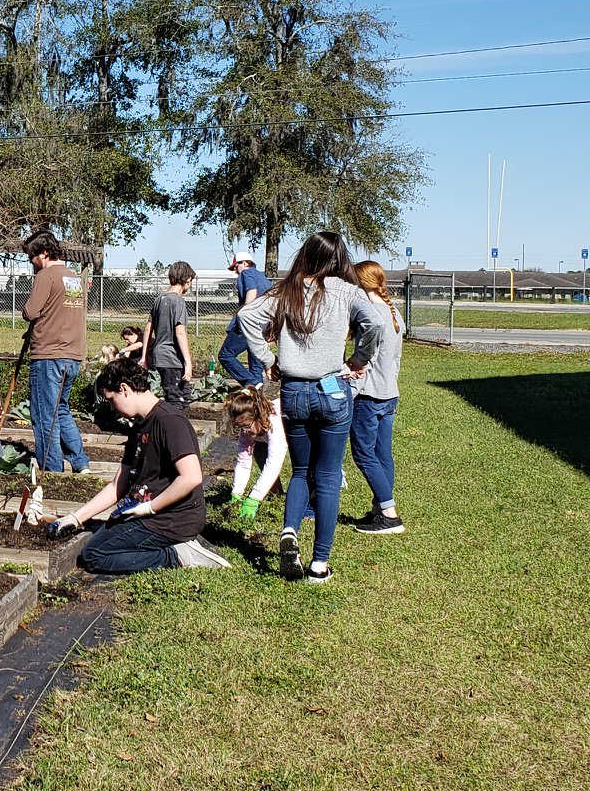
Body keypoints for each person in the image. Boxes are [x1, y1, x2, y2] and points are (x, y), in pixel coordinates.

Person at [238, 231, 391, 585]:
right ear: (339, 259)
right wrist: (358, 358)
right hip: (333, 390)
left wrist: (266, 359)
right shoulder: (346, 291)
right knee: (327, 477)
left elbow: (248, 317)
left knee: (300, 470)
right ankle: (319, 563)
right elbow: (376, 323)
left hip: (293, 391)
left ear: (305, 254)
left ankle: (289, 530)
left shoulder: (285, 290)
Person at [43, 358, 225, 572]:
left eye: (111, 400)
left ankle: (176, 555)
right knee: (101, 538)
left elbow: (191, 477)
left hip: (171, 519)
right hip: (144, 514)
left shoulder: (170, 422)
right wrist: (76, 517)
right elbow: (117, 485)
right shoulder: (139, 426)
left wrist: (149, 507)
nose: (112, 408)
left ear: (124, 389)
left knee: (94, 555)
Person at [20, 230, 92, 475]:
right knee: (61, 409)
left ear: (43, 253)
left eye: (32, 257)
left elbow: (31, 311)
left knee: (43, 416)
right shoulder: (73, 278)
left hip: (48, 356)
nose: (32, 262)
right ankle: (80, 463)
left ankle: (51, 470)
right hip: (72, 354)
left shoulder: (46, 275)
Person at [344, 260, 406, 535]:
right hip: (389, 394)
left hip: (369, 396)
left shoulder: (371, 317)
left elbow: (364, 361)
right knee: (382, 455)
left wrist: (349, 368)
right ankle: (378, 510)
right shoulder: (394, 315)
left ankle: (390, 515)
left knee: (363, 454)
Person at [223, 384, 287, 525]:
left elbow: (274, 463)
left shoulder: (274, 423)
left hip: (302, 432)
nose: (244, 432)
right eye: (240, 427)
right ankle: (276, 496)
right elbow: (243, 462)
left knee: (304, 466)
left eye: (246, 426)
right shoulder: (247, 429)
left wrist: (254, 498)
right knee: (259, 451)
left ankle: (310, 502)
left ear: (258, 416)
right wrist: (237, 493)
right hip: (265, 435)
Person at [143, 262, 196, 405]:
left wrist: (144, 358)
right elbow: (180, 333)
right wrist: (188, 362)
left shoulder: (159, 299)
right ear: (188, 279)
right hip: (172, 359)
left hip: (160, 356)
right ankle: (173, 426)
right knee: (175, 400)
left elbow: (148, 328)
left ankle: (183, 425)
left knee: (184, 397)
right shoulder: (178, 301)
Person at [215, 254, 272, 385]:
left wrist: (243, 312)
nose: (236, 271)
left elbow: (251, 292)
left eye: (236, 266)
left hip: (248, 324)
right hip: (262, 326)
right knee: (256, 365)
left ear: (245, 263)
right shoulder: (262, 277)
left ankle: (250, 382)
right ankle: (257, 398)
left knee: (225, 355)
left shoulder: (246, 274)